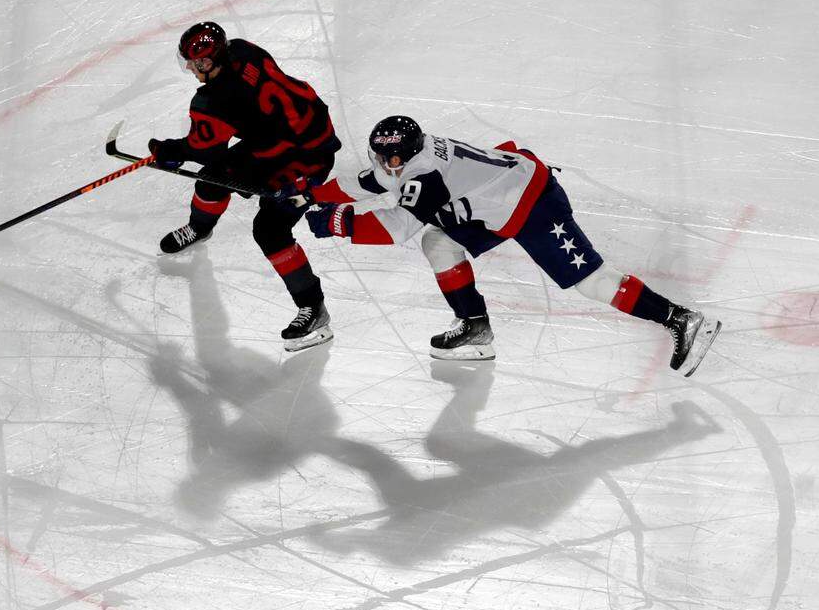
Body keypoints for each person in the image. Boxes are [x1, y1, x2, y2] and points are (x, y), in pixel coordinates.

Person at [297, 115, 721, 376]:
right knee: (439, 241)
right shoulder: (408, 156)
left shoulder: (423, 174)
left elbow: (396, 227)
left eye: (392, 159)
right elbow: (372, 181)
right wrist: (311, 194)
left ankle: (680, 319)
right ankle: (475, 328)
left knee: (591, 281)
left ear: (408, 154)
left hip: (530, 202)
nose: (385, 164)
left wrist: (335, 222)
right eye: (381, 156)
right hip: (495, 197)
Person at [146, 21, 341, 351]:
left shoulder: (213, 100)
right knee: (213, 177)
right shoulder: (242, 48)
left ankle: (314, 309)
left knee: (270, 230)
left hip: (306, 157)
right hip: (294, 134)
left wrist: (169, 152)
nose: (194, 69)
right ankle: (200, 228)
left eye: (201, 63)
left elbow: (203, 147)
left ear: (217, 57)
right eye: (190, 62)